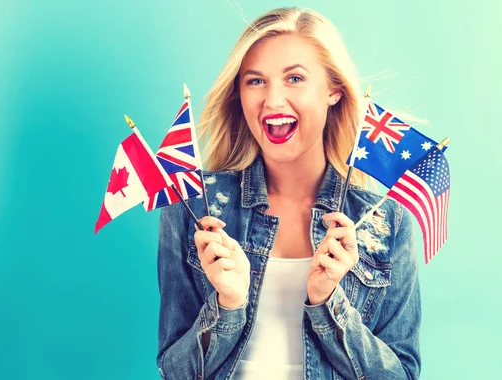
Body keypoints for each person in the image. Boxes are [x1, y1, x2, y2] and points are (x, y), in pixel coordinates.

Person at [156, 7, 421, 380]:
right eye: (255, 81)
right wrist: (227, 306)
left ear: (333, 91)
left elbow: (402, 375)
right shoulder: (193, 207)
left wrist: (329, 303)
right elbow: (175, 372)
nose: (273, 101)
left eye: (294, 78)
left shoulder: (386, 222)